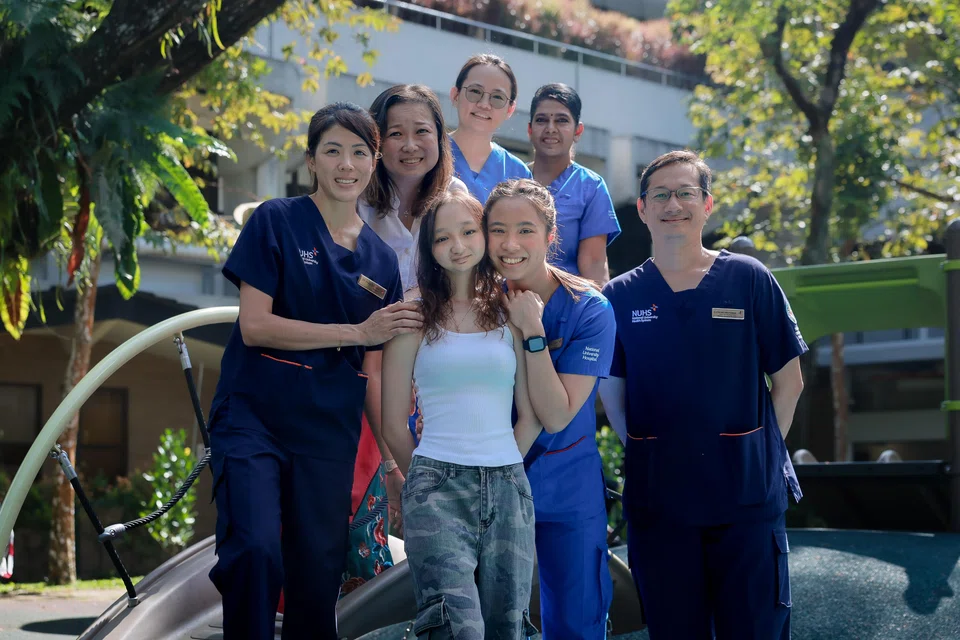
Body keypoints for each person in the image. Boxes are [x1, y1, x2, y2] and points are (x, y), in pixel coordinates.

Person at [205, 102, 423, 640]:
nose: (346, 164)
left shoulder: (380, 262)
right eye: (332, 151)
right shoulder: (275, 221)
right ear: (311, 161)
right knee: (254, 550)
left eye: (358, 152)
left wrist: (396, 465)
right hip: (254, 418)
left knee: (317, 574)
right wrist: (354, 332)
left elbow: (372, 373)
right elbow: (256, 325)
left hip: (328, 434)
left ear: (374, 163)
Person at [598, 150, 807, 640]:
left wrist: (756, 453)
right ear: (643, 210)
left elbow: (790, 380)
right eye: (661, 195)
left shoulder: (748, 279)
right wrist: (651, 455)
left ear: (707, 204)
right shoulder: (618, 296)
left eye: (686, 192)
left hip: (747, 503)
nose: (674, 204)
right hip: (661, 505)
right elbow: (614, 395)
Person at [382, 190, 542, 639]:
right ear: (429, 250)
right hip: (436, 484)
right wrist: (426, 481)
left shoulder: (512, 312)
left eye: (469, 231)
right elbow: (393, 421)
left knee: (507, 627)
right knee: (456, 628)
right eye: (443, 238)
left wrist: (504, 463)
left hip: (507, 485)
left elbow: (529, 415)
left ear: (485, 236)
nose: (458, 245)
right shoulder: (413, 316)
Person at [340, 84, 468, 592]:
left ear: (441, 136)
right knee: (359, 519)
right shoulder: (354, 209)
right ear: (376, 142)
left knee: (440, 525)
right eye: (395, 133)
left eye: (423, 131)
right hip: (359, 375)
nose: (410, 144)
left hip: (438, 385)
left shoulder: (461, 209)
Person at [485, 178, 617, 640]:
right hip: (491, 483)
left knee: (577, 621)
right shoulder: (474, 305)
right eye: (497, 230)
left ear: (550, 234)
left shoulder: (590, 309)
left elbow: (558, 414)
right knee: (488, 620)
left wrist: (532, 333)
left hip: (567, 487)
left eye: (525, 229)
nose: (510, 244)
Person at [527, 83, 620, 284]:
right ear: (530, 129)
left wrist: (597, 313)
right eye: (542, 120)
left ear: (578, 131)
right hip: (506, 302)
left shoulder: (591, 187)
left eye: (562, 121)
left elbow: (594, 264)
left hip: (568, 305)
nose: (550, 129)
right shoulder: (512, 177)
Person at [448, 53, 532, 203]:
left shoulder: (518, 173)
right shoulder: (430, 153)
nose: (484, 104)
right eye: (475, 91)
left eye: (497, 97)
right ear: (455, 95)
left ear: (510, 109)